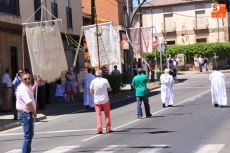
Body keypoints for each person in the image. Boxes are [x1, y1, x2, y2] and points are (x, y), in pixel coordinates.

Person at [16, 72, 39, 153]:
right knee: (28, 135)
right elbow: (28, 103)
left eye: (29, 78)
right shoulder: (23, 89)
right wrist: (34, 113)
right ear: (22, 80)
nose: (28, 80)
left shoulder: (27, 87)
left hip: (26, 113)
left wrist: (35, 84)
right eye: (25, 79)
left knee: (29, 134)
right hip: (25, 113)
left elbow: (31, 91)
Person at [90, 70, 113, 134]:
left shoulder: (93, 81)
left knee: (98, 115)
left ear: (95, 74)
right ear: (102, 74)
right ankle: (108, 128)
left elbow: (91, 91)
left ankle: (99, 129)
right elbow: (109, 89)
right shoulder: (105, 80)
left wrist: (95, 93)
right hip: (105, 99)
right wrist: (110, 89)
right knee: (107, 114)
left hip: (97, 100)